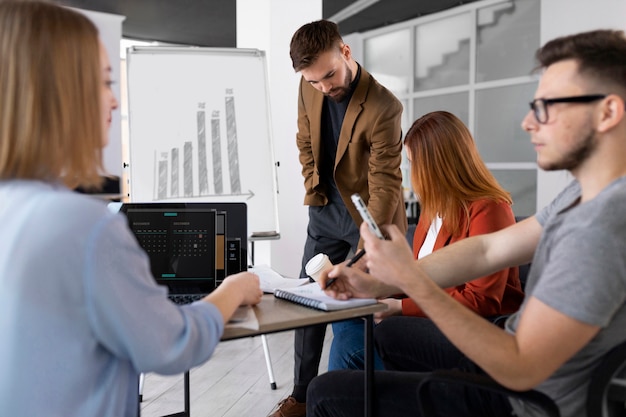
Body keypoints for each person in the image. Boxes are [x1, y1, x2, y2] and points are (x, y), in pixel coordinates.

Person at [308, 28, 626, 417]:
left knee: (327, 392)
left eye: (547, 106)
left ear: (608, 111)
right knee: (369, 340)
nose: (528, 122)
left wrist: (408, 284)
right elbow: (489, 248)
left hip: (522, 399)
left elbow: (521, 365)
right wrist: (381, 281)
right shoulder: (580, 196)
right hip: (512, 364)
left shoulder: (601, 227)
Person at [0, 2, 262, 416]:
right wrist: (233, 289)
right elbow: (172, 344)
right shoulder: (82, 228)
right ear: (60, 91)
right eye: (105, 83)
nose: (114, 103)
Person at [270, 19, 408, 417]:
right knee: (306, 299)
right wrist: (313, 187)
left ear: (345, 52)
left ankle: (358, 393)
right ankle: (300, 396)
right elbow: (303, 138)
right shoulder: (308, 84)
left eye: (329, 75)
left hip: (368, 214)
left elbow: (385, 182)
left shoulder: (384, 106)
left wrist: (368, 242)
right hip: (325, 210)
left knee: (361, 303)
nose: (324, 88)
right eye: (315, 82)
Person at [328, 111, 524, 372]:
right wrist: (379, 290)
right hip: (432, 316)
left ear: (438, 165)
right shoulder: (433, 210)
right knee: (345, 319)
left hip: (475, 327)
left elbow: (482, 301)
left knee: (359, 349)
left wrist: (400, 306)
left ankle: (357, 395)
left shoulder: (490, 208)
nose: (411, 174)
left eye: (413, 163)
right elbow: (423, 275)